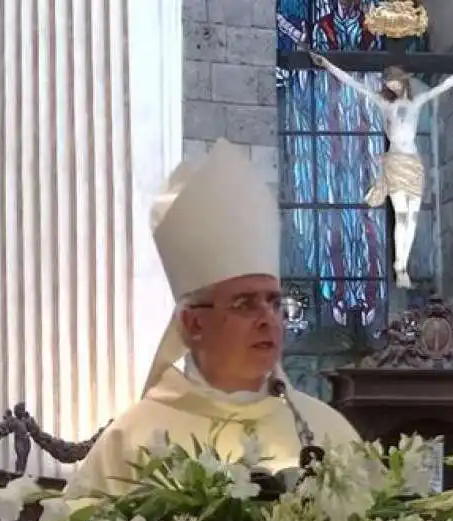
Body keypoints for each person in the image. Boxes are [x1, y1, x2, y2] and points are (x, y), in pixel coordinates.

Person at [63, 140, 362, 499]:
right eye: (244, 304)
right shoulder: (133, 441)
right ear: (193, 325)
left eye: (274, 302)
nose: (268, 319)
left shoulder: (329, 433)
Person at [310, 53, 453, 288]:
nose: (391, 86)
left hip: (413, 164)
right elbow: (354, 84)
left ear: (402, 82)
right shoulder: (385, 104)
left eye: (394, 81)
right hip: (396, 162)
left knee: (412, 217)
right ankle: (399, 266)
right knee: (401, 215)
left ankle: (404, 263)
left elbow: (444, 86)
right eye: (388, 83)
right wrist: (328, 65)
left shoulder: (416, 102)